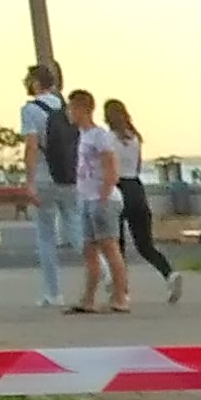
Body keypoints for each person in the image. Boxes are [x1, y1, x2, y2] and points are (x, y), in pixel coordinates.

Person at [102, 98, 180, 303]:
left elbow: (107, 167)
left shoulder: (108, 139)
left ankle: (121, 290)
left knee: (116, 246)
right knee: (145, 244)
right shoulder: (135, 138)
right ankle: (169, 274)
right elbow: (136, 167)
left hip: (117, 188)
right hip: (136, 188)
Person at [66, 89, 127, 313]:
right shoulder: (83, 136)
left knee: (110, 247)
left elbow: (111, 166)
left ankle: (121, 296)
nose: (69, 113)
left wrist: (103, 195)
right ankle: (88, 299)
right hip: (86, 197)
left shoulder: (100, 135)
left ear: (83, 109)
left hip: (102, 199)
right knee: (89, 250)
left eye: (72, 108)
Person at [17, 62, 70, 307]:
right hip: (69, 176)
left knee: (46, 236)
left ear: (36, 83)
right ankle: (104, 270)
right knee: (78, 230)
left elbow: (31, 145)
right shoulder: (64, 106)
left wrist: (29, 181)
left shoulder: (30, 110)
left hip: (44, 176)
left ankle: (53, 292)